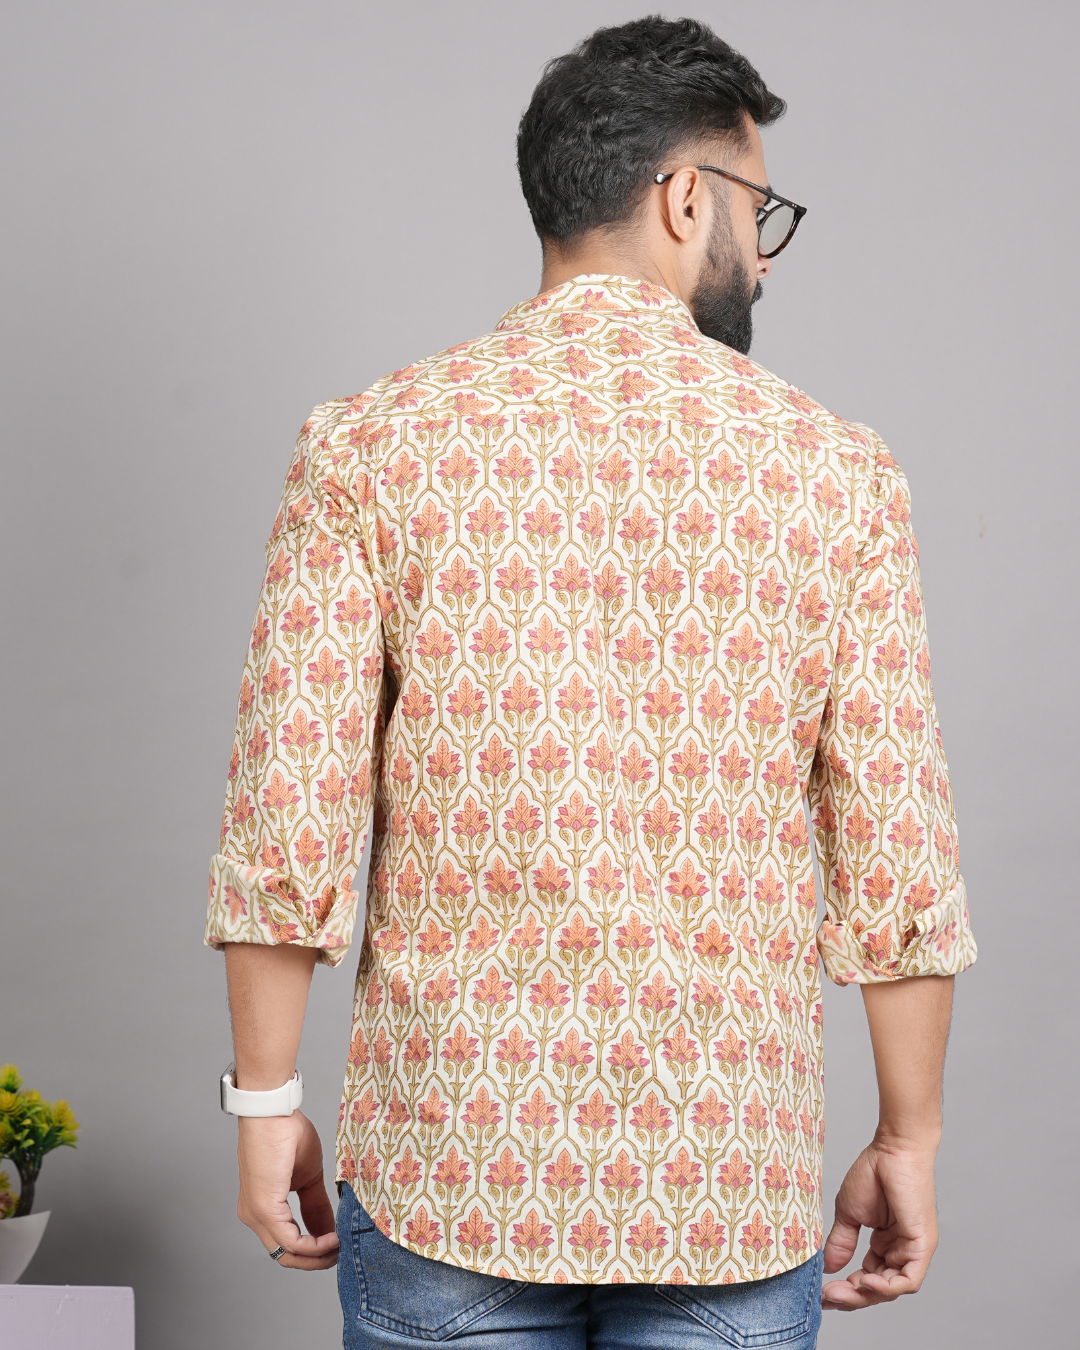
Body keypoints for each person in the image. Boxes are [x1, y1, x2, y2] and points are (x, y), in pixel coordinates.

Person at [206, 16, 976, 1348]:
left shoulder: (374, 445)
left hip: (451, 1167)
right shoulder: (838, 473)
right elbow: (898, 860)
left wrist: (265, 1102)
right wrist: (908, 1135)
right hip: (725, 1183)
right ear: (685, 197)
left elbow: (288, 815)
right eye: (757, 209)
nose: (761, 254)